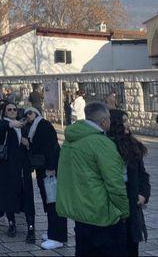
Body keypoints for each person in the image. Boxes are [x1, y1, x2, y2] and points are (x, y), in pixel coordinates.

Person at [57, 102, 129, 256]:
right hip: (101, 215)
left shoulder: (70, 140)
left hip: (80, 213)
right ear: (103, 121)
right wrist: (124, 211)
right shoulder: (102, 143)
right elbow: (115, 184)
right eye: (108, 118)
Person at [0, 102, 35, 243]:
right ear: (4, 112)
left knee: (27, 197)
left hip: (23, 168)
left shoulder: (23, 125)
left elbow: (33, 142)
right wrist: (9, 125)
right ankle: (11, 225)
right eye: (9, 109)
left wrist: (27, 143)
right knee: (10, 196)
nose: (12, 111)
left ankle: (31, 229)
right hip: (7, 167)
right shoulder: (1, 124)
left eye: (14, 109)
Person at [22, 107, 67, 250]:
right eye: (26, 114)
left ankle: (57, 237)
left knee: (54, 202)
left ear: (36, 113)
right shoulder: (35, 127)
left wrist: (51, 167)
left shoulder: (43, 125)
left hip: (49, 170)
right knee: (49, 202)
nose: (28, 116)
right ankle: (52, 232)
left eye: (30, 113)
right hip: (45, 170)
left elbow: (51, 147)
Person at [108, 109, 151, 257]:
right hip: (114, 203)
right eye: (124, 121)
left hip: (133, 201)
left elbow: (143, 175)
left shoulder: (133, 145)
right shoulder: (107, 146)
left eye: (127, 120)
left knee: (132, 245)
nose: (128, 124)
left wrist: (143, 195)